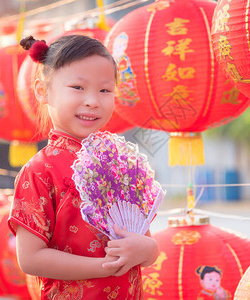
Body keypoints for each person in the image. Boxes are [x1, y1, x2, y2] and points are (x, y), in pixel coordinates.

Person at [8, 35, 159, 299]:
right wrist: (105, 267)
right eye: (78, 87)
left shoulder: (120, 165)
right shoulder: (40, 170)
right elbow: (30, 258)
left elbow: (142, 240)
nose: (92, 101)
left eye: (105, 90)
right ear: (42, 91)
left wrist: (149, 250)